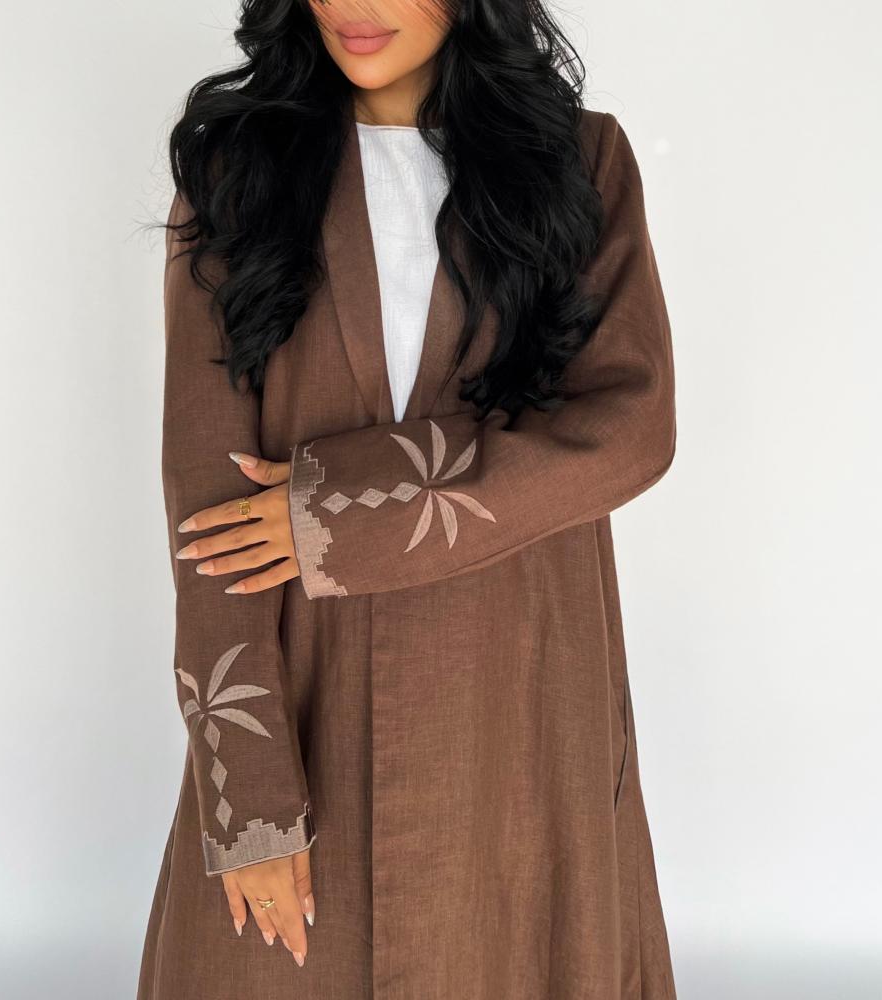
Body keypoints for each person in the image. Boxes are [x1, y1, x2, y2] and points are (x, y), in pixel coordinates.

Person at [138, 1, 678, 998]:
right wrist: (247, 802)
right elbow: (207, 511)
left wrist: (341, 511)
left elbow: (631, 428)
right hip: (310, 698)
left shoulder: (579, 161)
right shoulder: (235, 174)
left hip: (519, 706)